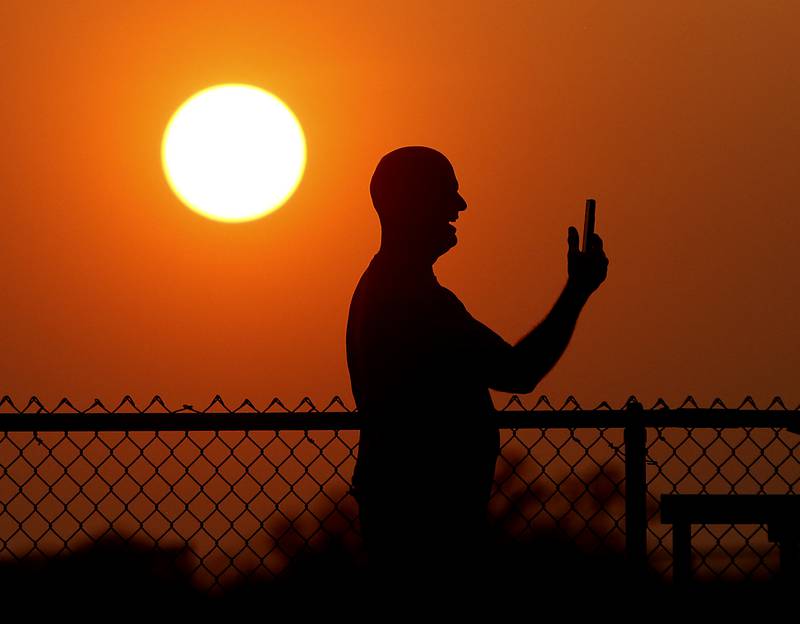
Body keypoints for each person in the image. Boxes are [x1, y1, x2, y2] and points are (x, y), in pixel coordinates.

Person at [345, 146, 608, 599]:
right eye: (447, 194)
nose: (460, 206)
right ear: (412, 202)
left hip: (413, 509)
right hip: (426, 520)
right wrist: (577, 292)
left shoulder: (392, 288)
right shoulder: (412, 299)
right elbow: (517, 371)